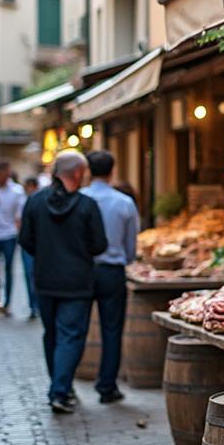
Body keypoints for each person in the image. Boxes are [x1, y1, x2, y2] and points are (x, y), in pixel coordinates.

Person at [19, 151, 108, 414]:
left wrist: (45, 253)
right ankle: (59, 390)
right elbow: (99, 244)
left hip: (45, 279)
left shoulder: (34, 202)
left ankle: (61, 384)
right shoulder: (87, 205)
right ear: (79, 173)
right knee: (71, 336)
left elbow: (25, 240)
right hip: (77, 282)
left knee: (53, 335)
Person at [83, 151, 139, 404]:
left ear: (87, 170)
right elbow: (131, 247)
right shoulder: (125, 202)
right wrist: (124, 259)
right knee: (112, 330)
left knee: (76, 328)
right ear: (112, 171)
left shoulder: (79, 199)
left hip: (82, 270)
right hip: (112, 271)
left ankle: (65, 384)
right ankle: (107, 386)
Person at [0, 161, 26, 316]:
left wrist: (17, 230)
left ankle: (7, 303)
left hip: (9, 235)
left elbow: (20, 215)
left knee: (9, 270)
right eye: (4, 172)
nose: (7, 175)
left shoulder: (17, 190)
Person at [19, 177, 40, 320]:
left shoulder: (37, 201)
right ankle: (33, 306)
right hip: (31, 245)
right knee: (29, 274)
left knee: (34, 275)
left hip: (36, 244)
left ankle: (36, 305)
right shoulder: (22, 200)